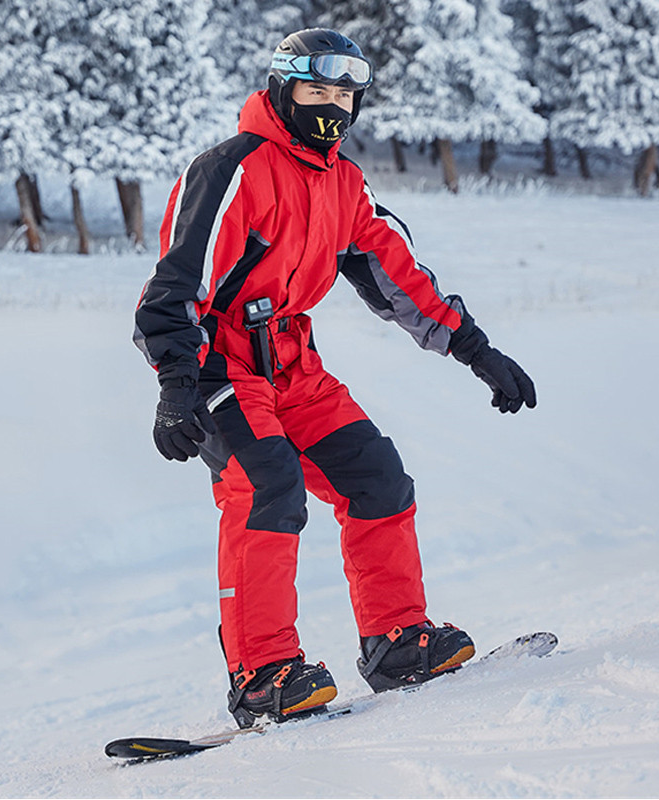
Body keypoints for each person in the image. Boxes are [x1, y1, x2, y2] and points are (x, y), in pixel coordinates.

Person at [133, 28, 536, 729]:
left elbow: (398, 275)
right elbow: (174, 287)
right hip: (220, 365)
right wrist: (176, 384)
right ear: (284, 90)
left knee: (377, 477)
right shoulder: (234, 169)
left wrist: (476, 351)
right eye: (316, 91)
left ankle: (397, 642)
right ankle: (262, 674)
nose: (331, 107)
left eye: (344, 95)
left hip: (294, 365)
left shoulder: (342, 181)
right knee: (268, 487)